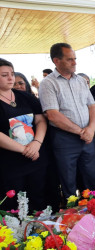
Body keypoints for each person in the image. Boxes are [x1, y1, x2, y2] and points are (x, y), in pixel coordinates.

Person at [39, 43, 95, 198]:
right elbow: (52, 115)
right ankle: (72, 218)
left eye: (75, 59)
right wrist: (81, 131)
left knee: (92, 179)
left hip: (88, 137)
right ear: (56, 61)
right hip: (65, 140)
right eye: (69, 59)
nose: (74, 63)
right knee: (68, 183)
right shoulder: (48, 83)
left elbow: (92, 106)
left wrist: (91, 129)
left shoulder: (80, 81)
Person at [0, 58, 48, 212]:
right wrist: (24, 150)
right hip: (10, 165)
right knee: (15, 207)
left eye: (12, 74)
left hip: (36, 158)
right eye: (4, 75)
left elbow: (41, 120)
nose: (10, 78)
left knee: (39, 201)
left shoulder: (25, 97)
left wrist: (36, 143)